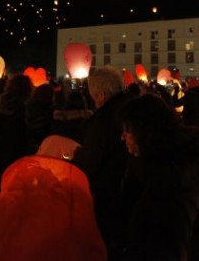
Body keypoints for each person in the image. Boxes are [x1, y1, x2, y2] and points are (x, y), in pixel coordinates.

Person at [119, 94, 199, 260]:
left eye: (127, 130)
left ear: (143, 131)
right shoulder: (161, 166)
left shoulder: (173, 181)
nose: (123, 137)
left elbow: (167, 249)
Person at [71, 66, 132, 260]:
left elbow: (89, 162)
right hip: (133, 194)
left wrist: (77, 157)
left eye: (94, 97)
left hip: (110, 196)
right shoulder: (135, 109)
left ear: (102, 95)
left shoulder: (103, 120)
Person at [0, 73, 34, 195]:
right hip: (20, 148)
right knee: (18, 186)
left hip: (2, 147)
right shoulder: (27, 106)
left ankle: (1, 207)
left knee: (2, 183)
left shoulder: (1, 103)